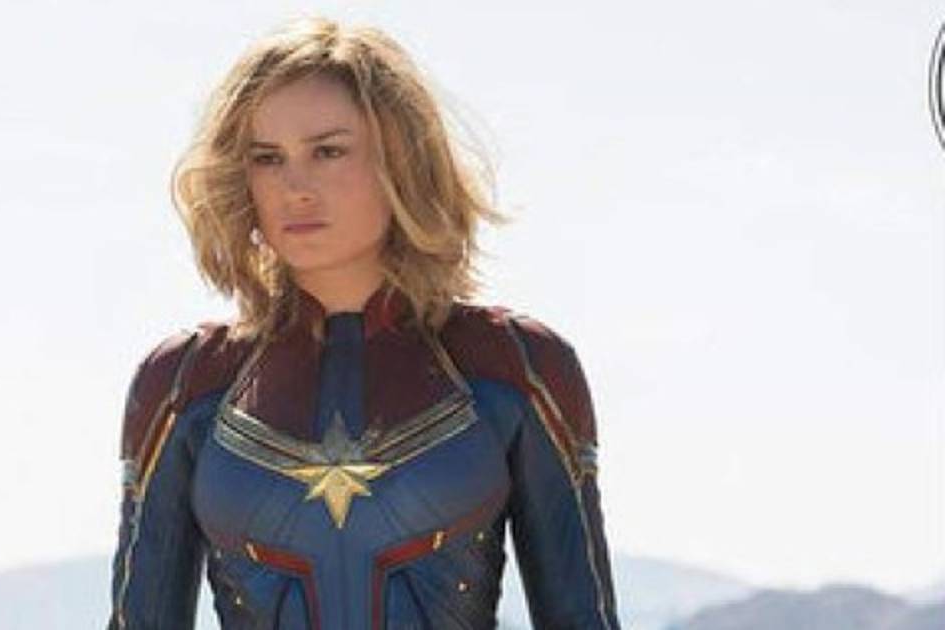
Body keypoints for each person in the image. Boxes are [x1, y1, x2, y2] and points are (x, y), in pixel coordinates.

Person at [107, 15, 621, 630]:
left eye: (328, 151)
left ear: (400, 161)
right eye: (267, 158)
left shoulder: (518, 367)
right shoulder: (183, 383)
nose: (295, 187)